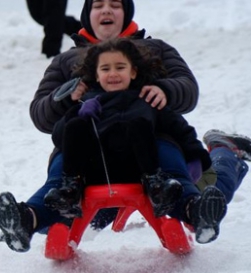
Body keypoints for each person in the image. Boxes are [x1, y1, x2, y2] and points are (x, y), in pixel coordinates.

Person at [0, 0, 249, 253]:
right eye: (98, 5)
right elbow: (40, 115)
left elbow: (188, 89)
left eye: (115, 5)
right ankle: (24, 220)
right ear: (87, 14)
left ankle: (223, 159)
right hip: (89, 155)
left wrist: (165, 89)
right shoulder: (67, 61)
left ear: (126, 12)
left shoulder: (154, 49)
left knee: (195, 186)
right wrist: (68, 97)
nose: (107, 10)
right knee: (60, 193)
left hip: (151, 148)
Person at [45, 39, 214, 222]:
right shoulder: (88, 103)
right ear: (96, 75)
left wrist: (195, 157)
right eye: (105, 69)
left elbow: (180, 128)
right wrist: (78, 113)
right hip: (96, 171)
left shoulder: (146, 98)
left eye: (120, 67)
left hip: (140, 171)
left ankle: (159, 187)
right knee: (76, 126)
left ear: (133, 72)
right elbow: (59, 137)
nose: (113, 74)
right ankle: (70, 189)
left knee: (138, 125)